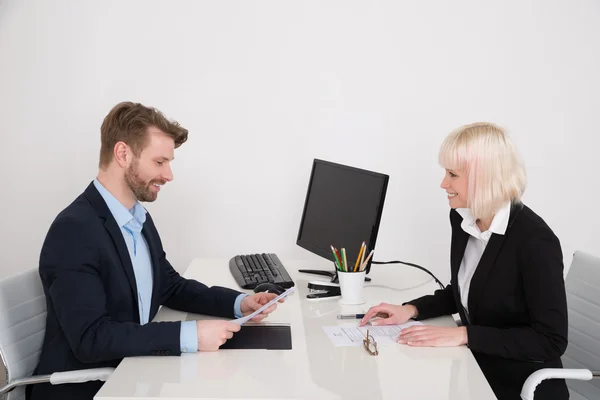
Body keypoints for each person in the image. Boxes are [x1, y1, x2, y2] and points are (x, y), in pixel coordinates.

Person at [29, 102, 282, 400]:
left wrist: (241, 304)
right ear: (123, 154)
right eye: (160, 162)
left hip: (133, 372)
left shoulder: (137, 218)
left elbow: (170, 286)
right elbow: (90, 339)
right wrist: (190, 335)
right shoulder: (74, 231)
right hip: (90, 388)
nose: (169, 175)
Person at [360, 122, 569, 400]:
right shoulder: (464, 220)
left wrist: (465, 335)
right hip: (474, 369)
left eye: (453, 174)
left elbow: (550, 340)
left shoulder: (535, 241)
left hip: (517, 383)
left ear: (484, 177)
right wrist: (410, 309)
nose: (443, 183)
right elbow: (467, 291)